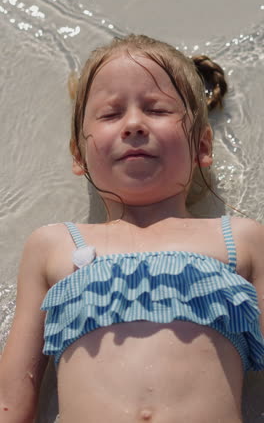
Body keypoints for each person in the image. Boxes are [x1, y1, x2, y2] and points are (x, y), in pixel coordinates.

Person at [0, 34, 263, 423]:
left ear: (202, 146)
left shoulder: (241, 239)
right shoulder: (51, 245)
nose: (135, 124)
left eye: (157, 110)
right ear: (79, 155)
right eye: (110, 114)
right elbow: (12, 398)